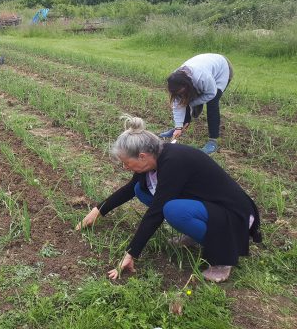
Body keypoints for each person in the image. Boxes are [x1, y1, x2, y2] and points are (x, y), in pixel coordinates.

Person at [77, 115, 261, 283]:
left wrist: (131, 253)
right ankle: (197, 234)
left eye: (126, 162)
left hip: (234, 215)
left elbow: (157, 211)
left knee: (172, 210)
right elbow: (128, 191)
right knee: (140, 189)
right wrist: (98, 211)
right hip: (208, 206)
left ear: (142, 156)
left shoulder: (174, 162)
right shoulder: (153, 160)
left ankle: (223, 256)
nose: (125, 167)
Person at [159, 53, 234, 154]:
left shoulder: (203, 77)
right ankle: (180, 129)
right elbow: (178, 106)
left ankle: (213, 141)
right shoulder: (175, 80)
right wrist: (178, 127)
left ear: (186, 85)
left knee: (212, 104)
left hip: (221, 69)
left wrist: (193, 103)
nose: (178, 94)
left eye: (180, 92)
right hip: (205, 64)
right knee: (184, 101)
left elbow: (211, 94)